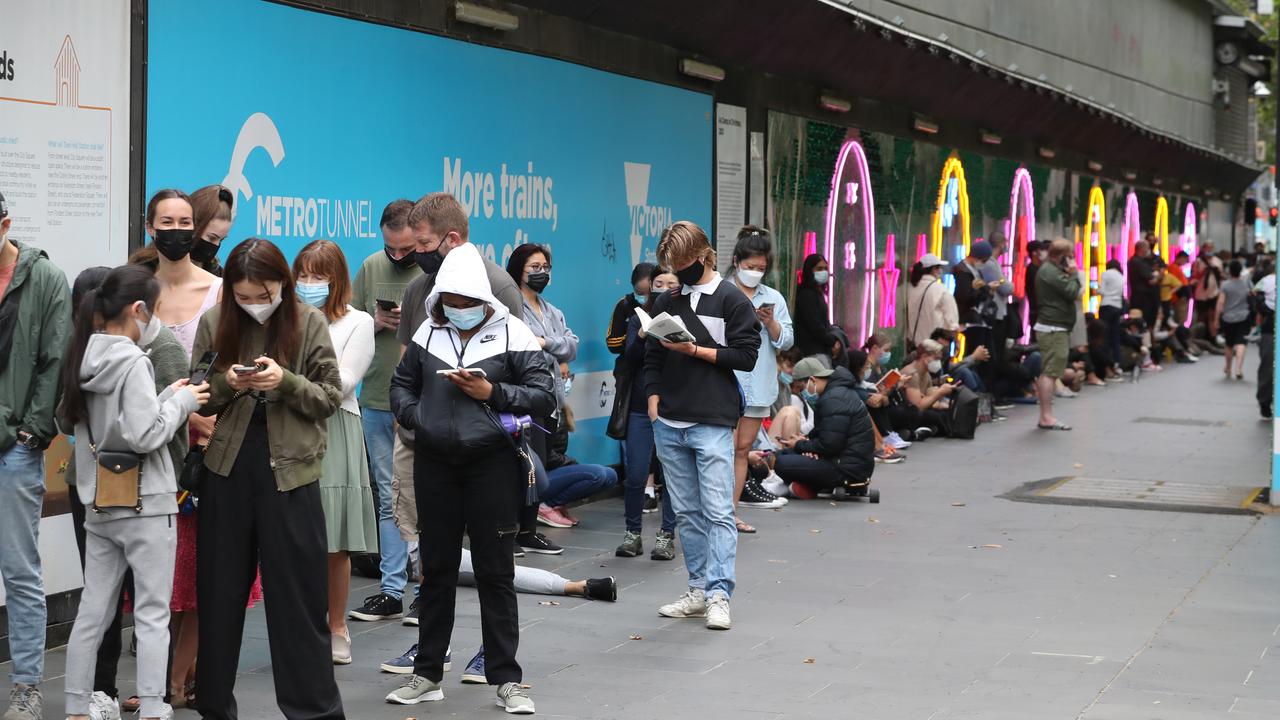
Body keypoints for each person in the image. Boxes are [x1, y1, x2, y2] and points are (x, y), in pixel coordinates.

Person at [387, 243, 554, 713]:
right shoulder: (427, 331)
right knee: (435, 570)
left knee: (494, 572)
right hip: (435, 462)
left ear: (483, 297)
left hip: (492, 465)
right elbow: (402, 382)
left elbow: (543, 396)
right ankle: (427, 674)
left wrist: (491, 391)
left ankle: (506, 678)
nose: (457, 309)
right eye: (450, 300)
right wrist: (414, 416)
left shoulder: (514, 334)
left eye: (466, 301)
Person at [191, 238, 345, 720]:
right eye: (245, 296)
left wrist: (286, 382)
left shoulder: (309, 322)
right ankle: (214, 706)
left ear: (283, 282)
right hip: (227, 469)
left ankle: (313, 711)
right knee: (219, 597)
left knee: (298, 601)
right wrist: (226, 384)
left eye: (266, 293)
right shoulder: (216, 322)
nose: (256, 304)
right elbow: (198, 397)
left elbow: (328, 398)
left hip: (291, 473)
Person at [59, 265, 210, 720]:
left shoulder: (81, 358)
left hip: (101, 499)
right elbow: (145, 436)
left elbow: (101, 426)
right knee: (151, 612)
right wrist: (182, 402)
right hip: (149, 504)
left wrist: (165, 397)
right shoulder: (134, 361)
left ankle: (76, 707)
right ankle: (151, 705)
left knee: (92, 612)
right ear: (138, 309)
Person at [129, 189, 241, 707]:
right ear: (150, 226)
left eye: (185, 221)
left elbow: (227, 367)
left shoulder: (219, 291)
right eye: (166, 221)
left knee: (195, 572)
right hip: (143, 445)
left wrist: (198, 417)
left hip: (203, 447)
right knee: (151, 574)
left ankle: (177, 681)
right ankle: (151, 681)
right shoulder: (130, 288)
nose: (176, 229)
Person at [645, 221, 761, 632]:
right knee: (687, 512)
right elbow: (651, 355)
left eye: (681, 263)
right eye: (670, 265)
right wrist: (653, 396)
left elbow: (746, 356)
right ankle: (697, 587)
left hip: (711, 416)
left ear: (702, 255)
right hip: (669, 419)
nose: (676, 272)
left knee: (717, 511)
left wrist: (694, 349)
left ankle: (718, 594)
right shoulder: (668, 298)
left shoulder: (731, 298)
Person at [0, 188, 72, 720]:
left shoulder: (44, 279)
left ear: (5, 225)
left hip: (15, 448)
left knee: (20, 570)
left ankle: (26, 685)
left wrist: (32, 432)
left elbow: (55, 360)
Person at [293, 240, 379, 665]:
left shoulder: (358, 322)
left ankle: (337, 625)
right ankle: (302, 626)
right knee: (294, 537)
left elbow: (343, 383)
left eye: (318, 276)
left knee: (335, 541)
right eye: (303, 275)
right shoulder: (283, 319)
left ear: (337, 280)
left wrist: (289, 381)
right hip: (289, 428)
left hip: (335, 426)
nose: (309, 284)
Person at [348, 199, 426, 624]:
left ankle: (426, 590)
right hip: (375, 396)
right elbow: (350, 320)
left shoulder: (434, 272)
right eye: (390, 248)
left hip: (418, 403)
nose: (397, 256)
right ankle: (391, 589)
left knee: (424, 498)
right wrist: (375, 320)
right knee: (387, 498)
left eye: (405, 249)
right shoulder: (371, 266)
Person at [505, 243, 581, 531]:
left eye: (545, 268)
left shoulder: (552, 311)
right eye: (534, 268)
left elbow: (571, 346)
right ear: (519, 270)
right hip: (528, 398)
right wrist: (550, 348)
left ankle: (532, 524)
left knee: (543, 466)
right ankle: (520, 527)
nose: (542, 273)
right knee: (528, 467)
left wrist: (547, 343)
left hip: (555, 401)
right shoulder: (514, 308)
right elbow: (526, 349)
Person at [728, 228, 793, 524]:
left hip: (758, 382)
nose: (755, 273)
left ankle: (732, 512)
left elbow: (787, 340)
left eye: (761, 269)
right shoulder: (721, 290)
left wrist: (771, 324)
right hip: (725, 381)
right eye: (750, 267)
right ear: (736, 261)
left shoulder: (773, 297)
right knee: (720, 450)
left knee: (742, 449)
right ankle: (713, 512)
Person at [615, 265, 679, 560]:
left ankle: (667, 535)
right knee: (637, 473)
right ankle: (632, 534)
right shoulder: (636, 317)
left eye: (670, 283)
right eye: (658, 283)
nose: (664, 288)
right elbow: (628, 357)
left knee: (673, 475)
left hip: (676, 406)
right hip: (640, 406)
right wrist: (641, 334)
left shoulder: (686, 316)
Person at [774, 357, 875, 498]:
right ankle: (809, 485)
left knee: (781, 463)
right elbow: (826, 434)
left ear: (812, 380)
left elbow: (830, 445)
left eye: (802, 388)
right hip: (847, 462)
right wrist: (805, 441)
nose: (802, 393)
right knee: (783, 455)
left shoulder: (833, 399)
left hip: (847, 469)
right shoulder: (835, 394)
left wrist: (800, 445)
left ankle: (812, 485)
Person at [127, 185, 231, 276]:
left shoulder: (219, 280)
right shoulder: (139, 274)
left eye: (221, 240)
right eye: (212, 238)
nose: (216, 246)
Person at [1033, 238, 1081, 431]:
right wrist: (1074, 274)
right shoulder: (1050, 272)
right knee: (1050, 372)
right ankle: (1046, 416)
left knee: (1052, 371)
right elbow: (1072, 291)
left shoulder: (1051, 270)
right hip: (1053, 328)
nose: (1070, 260)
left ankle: (1047, 415)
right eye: (1068, 256)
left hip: (1056, 326)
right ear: (1061, 256)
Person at [891, 339, 955, 439]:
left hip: (917, 410)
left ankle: (927, 430)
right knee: (933, 416)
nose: (938, 363)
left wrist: (940, 403)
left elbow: (930, 398)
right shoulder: (912, 373)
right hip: (905, 413)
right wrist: (940, 393)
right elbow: (919, 406)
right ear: (924, 356)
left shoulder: (926, 374)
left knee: (943, 413)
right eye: (936, 358)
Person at [606, 262, 655, 365]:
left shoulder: (662, 302)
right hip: (629, 368)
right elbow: (612, 343)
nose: (646, 298)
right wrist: (635, 335)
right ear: (633, 287)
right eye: (640, 293)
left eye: (649, 293)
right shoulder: (624, 305)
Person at [906, 253, 959, 348]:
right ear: (933, 269)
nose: (941, 271)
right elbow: (951, 319)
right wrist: (955, 339)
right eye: (939, 268)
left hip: (915, 345)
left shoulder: (911, 288)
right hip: (935, 345)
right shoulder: (940, 289)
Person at [793, 253, 838, 361]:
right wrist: (832, 342)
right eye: (819, 269)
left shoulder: (818, 294)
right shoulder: (806, 294)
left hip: (821, 351)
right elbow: (814, 325)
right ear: (810, 271)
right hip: (812, 353)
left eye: (825, 268)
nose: (823, 272)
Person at [1218, 260, 1252, 380]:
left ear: (1229, 271)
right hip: (1244, 316)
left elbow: (1221, 302)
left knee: (1229, 344)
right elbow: (1251, 295)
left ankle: (1228, 367)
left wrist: (1217, 319)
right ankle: (1239, 369)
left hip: (1228, 318)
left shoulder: (1225, 285)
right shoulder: (1245, 284)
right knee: (1242, 342)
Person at [1255, 259, 1275, 417]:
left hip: (1269, 328)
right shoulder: (1266, 281)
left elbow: (1256, 298)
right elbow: (1257, 299)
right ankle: (1265, 402)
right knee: (1267, 367)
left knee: (1267, 366)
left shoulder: (1264, 281)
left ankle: (1265, 402)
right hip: (1270, 328)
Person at [1098, 259, 1125, 376]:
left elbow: (1101, 290)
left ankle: (1106, 364)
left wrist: (1096, 290)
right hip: (1117, 306)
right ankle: (1117, 363)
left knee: (1104, 336)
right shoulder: (1121, 276)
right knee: (1115, 336)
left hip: (1106, 305)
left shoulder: (1106, 274)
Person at [1128, 238, 1161, 328]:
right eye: (1147, 248)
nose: (1148, 250)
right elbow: (1150, 279)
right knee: (1141, 323)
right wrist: (1157, 276)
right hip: (1141, 298)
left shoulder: (1142, 261)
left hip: (1144, 297)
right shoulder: (1136, 262)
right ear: (1142, 249)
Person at [1192, 253, 1223, 339]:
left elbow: (1220, 275)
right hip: (1201, 294)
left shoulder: (1217, 261)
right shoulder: (1198, 262)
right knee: (1201, 315)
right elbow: (1194, 276)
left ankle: (1213, 336)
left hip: (1213, 293)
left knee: (1212, 315)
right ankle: (1199, 336)